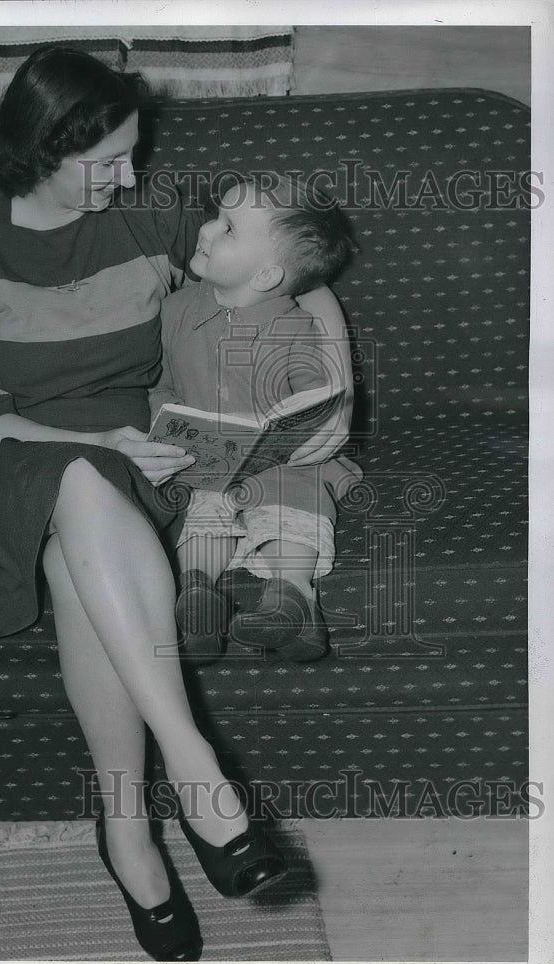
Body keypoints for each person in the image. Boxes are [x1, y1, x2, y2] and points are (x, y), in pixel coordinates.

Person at [0, 47, 292, 963]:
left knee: (78, 548)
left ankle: (127, 831)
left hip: (142, 469)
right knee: (77, 478)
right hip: (7, 464)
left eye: (133, 152)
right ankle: (192, 762)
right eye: (106, 161)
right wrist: (93, 446)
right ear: (40, 148)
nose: (131, 176)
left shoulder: (153, 217)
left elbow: (275, 266)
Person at [149, 173, 363, 665]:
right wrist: (166, 421)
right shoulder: (176, 311)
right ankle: (197, 597)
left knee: (293, 499)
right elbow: (159, 383)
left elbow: (314, 405)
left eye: (227, 229)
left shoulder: (296, 328)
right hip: (203, 457)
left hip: (281, 460)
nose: (206, 230)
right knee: (201, 511)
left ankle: (291, 598)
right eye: (215, 217)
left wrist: (300, 428)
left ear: (266, 276)